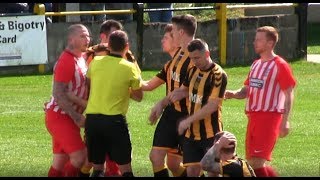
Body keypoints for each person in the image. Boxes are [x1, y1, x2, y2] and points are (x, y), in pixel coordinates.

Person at [69, 19, 140, 177]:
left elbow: (87, 83)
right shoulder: (129, 66)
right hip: (114, 120)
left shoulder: (95, 61)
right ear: (126, 46)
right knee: (124, 168)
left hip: (93, 120)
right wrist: (122, 87)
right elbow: (138, 95)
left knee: (98, 167)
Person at [224, 26, 297, 177]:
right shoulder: (256, 64)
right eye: (255, 39)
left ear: (270, 43)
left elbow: (289, 93)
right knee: (251, 162)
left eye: (259, 40)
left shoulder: (280, 65)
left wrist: (285, 121)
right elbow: (246, 89)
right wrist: (232, 93)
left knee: (256, 163)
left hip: (269, 118)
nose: (254, 42)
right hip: (253, 117)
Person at [155, 39, 228, 176]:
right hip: (191, 135)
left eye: (197, 58)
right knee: (192, 171)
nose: (194, 62)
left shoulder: (219, 75)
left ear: (207, 53)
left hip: (210, 133)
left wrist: (188, 120)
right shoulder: (193, 70)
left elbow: (212, 106)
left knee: (212, 171)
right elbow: (183, 90)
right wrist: (161, 103)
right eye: (192, 58)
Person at [142, 14, 197, 177]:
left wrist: (161, 103)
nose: (170, 34)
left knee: (185, 166)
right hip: (171, 114)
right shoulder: (178, 55)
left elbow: (185, 90)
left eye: (172, 31)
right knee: (156, 157)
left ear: (180, 33)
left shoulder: (195, 57)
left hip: (187, 116)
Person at [44, 24, 91, 177]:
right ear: (71, 40)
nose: (87, 39)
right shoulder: (66, 61)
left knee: (60, 163)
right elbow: (58, 93)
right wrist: (76, 116)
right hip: (61, 117)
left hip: (66, 117)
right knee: (80, 157)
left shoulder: (81, 58)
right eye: (82, 36)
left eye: (88, 36)